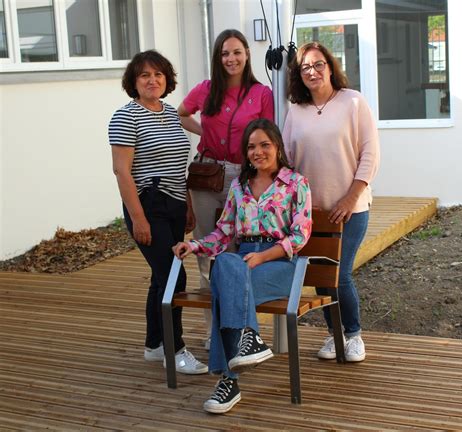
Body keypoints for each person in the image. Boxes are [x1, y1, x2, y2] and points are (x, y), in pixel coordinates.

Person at [173, 118, 312, 414]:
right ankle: (250, 340)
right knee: (226, 262)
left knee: (226, 288)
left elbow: (300, 236)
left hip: (280, 263)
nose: (257, 152)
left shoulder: (296, 183)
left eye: (264, 145)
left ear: (277, 146)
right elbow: (224, 232)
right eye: (251, 147)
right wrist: (194, 246)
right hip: (244, 260)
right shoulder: (239, 186)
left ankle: (228, 382)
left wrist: (263, 257)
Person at [108, 50, 207, 375]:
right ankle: (174, 350)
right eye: (145, 75)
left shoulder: (171, 114)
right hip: (148, 204)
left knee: (161, 276)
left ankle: (154, 345)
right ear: (134, 82)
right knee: (174, 276)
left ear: (167, 80)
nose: (152, 80)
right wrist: (138, 219)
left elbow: (179, 166)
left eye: (158, 74)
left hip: (175, 204)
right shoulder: (126, 117)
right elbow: (122, 172)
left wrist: (188, 205)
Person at [283, 42, 380, 363]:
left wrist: (351, 197)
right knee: (321, 276)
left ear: (330, 66)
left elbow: (370, 154)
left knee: (339, 274)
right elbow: (287, 160)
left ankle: (353, 335)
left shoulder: (353, 102)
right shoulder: (296, 110)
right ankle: (334, 333)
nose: (312, 71)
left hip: (350, 209)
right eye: (305, 67)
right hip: (311, 213)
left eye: (318, 64)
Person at [178, 29, 274, 348]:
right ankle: (213, 332)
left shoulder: (261, 93)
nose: (230, 59)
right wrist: (203, 132)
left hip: (242, 177)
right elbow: (181, 113)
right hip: (207, 175)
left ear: (247, 54)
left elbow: (268, 137)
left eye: (236, 52)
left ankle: (237, 329)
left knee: (235, 253)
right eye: (224, 53)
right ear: (217, 58)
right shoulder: (206, 89)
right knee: (206, 253)